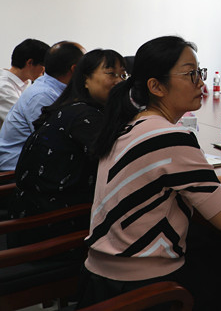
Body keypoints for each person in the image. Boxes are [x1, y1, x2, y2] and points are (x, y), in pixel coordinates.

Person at [77, 36, 221, 309]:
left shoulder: (132, 125)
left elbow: (156, 177)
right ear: (156, 86)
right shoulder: (170, 136)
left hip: (100, 280)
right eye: (191, 74)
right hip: (146, 287)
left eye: (199, 72)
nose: (200, 83)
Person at [8, 49, 127, 246]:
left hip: (39, 215)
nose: (119, 81)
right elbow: (120, 164)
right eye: (111, 73)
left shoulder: (78, 108)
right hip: (51, 227)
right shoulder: (84, 117)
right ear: (85, 79)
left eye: (123, 75)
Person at [0, 41, 85, 171]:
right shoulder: (41, 95)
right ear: (74, 69)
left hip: (33, 160)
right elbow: (51, 139)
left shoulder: (44, 87)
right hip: (16, 166)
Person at [0, 38, 50, 128]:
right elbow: (23, 121)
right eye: (43, 65)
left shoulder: (23, 84)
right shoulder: (4, 88)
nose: (44, 70)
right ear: (30, 62)